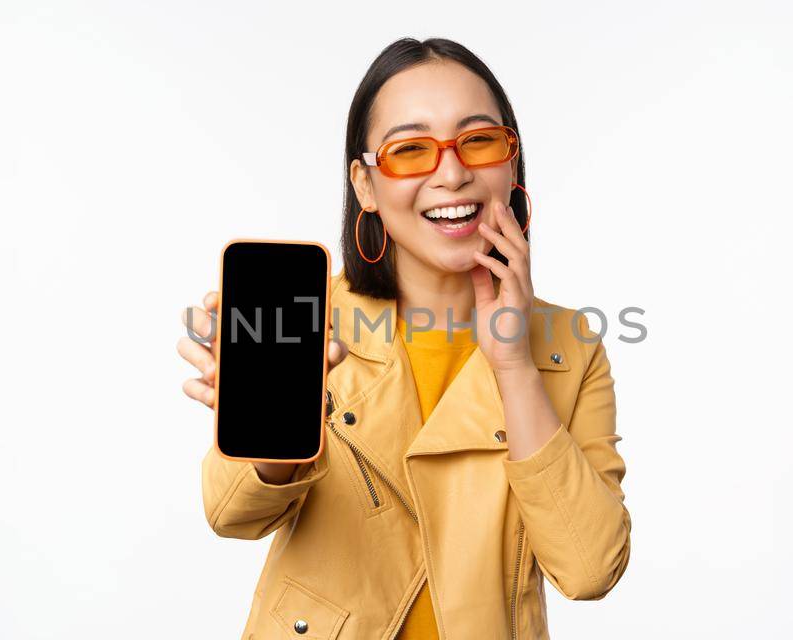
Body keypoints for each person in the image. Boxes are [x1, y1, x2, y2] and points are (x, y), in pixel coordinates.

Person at [177, 37, 631, 639]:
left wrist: (515, 366)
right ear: (365, 186)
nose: (453, 172)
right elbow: (231, 515)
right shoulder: (306, 317)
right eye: (410, 149)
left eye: (479, 140)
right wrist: (269, 431)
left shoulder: (571, 349)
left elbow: (590, 567)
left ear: (512, 164)